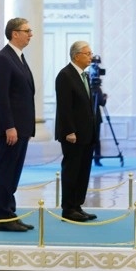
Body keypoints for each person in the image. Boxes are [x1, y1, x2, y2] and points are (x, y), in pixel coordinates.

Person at [0, 18, 36, 232]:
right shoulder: (3, 59)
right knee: (6, 170)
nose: (31, 34)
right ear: (14, 33)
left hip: (22, 127)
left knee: (14, 172)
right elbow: (2, 97)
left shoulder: (18, 57)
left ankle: (11, 212)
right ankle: (4, 217)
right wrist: (9, 126)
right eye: (27, 31)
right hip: (11, 128)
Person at [54, 41, 99, 222]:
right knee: (72, 170)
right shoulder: (65, 75)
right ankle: (68, 209)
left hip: (87, 133)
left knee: (83, 171)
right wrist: (70, 131)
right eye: (87, 53)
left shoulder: (84, 75)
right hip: (72, 134)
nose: (91, 56)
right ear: (76, 56)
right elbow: (64, 108)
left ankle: (77, 205)